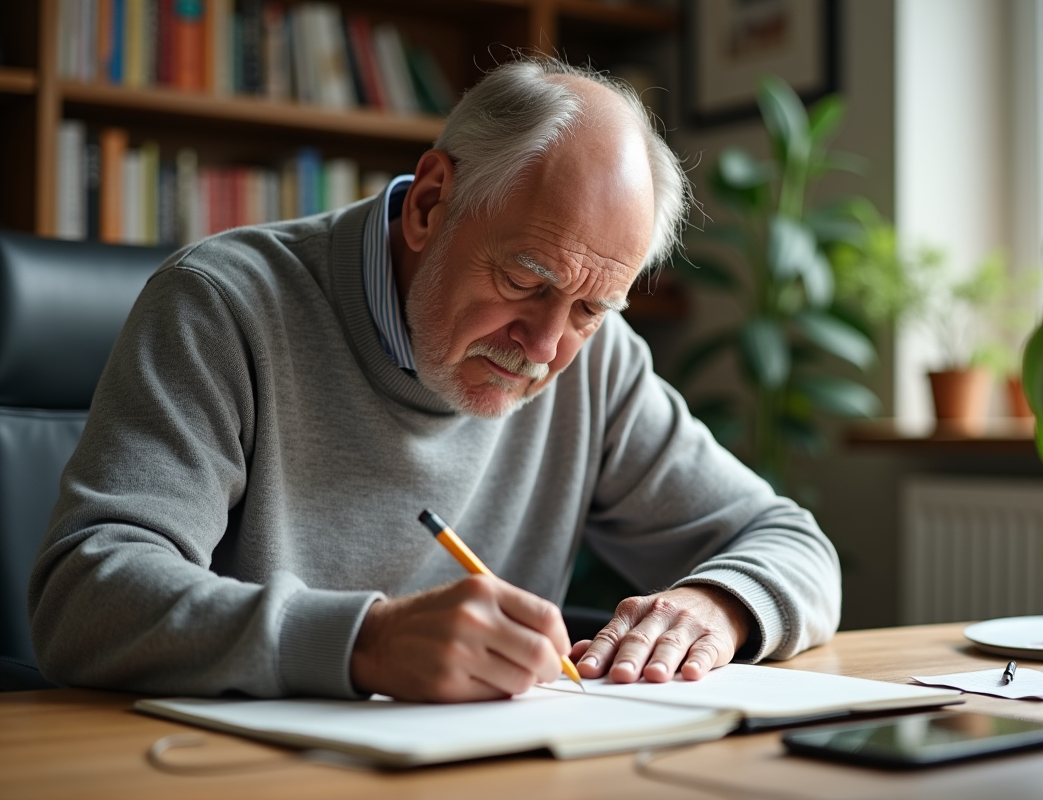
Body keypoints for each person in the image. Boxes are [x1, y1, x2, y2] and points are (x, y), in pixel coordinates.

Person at [28, 58, 840, 703]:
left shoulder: (600, 359)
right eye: (526, 282)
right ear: (430, 203)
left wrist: (717, 606)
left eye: (591, 307)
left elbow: (794, 544)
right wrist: (366, 643)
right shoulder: (225, 306)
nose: (547, 346)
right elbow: (85, 595)